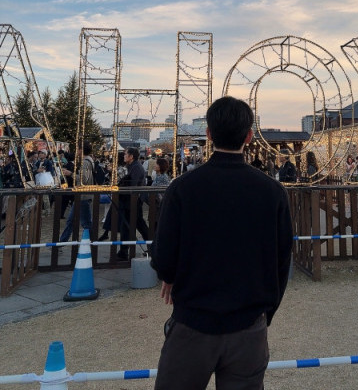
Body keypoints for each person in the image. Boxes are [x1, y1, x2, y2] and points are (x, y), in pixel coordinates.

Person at [150, 96, 293, 390]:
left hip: (193, 322)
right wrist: (265, 312)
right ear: (249, 136)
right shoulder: (272, 192)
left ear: (209, 134)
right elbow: (282, 259)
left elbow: (164, 253)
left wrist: (169, 275)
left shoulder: (183, 188)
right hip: (249, 326)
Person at [116, 147, 149, 260]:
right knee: (131, 225)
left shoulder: (136, 167)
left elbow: (131, 184)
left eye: (126, 154)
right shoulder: (132, 166)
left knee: (134, 225)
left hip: (134, 200)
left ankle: (124, 252)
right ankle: (124, 251)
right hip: (130, 200)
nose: (124, 156)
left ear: (131, 156)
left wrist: (121, 185)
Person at [59, 142, 94, 243]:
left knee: (85, 223)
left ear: (81, 150)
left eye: (77, 149)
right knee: (72, 221)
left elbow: (84, 179)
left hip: (83, 195)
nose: (76, 151)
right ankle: (62, 242)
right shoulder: (89, 160)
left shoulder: (85, 162)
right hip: (83, 195)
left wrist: (70, 173)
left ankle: (92, 242)